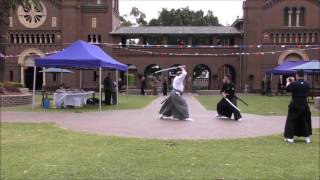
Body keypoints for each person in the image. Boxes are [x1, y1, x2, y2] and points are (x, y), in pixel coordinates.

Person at [284, 69, 312, 143]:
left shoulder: (294, 83)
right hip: (304, 104)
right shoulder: (307, 83)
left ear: (296, 75)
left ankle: (290, 138)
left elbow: (287, 89)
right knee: (305, 120)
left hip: (295, 104)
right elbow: (307, 89)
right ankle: (307, 137)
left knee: (291, 120)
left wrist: (288, 82)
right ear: (303, 75)